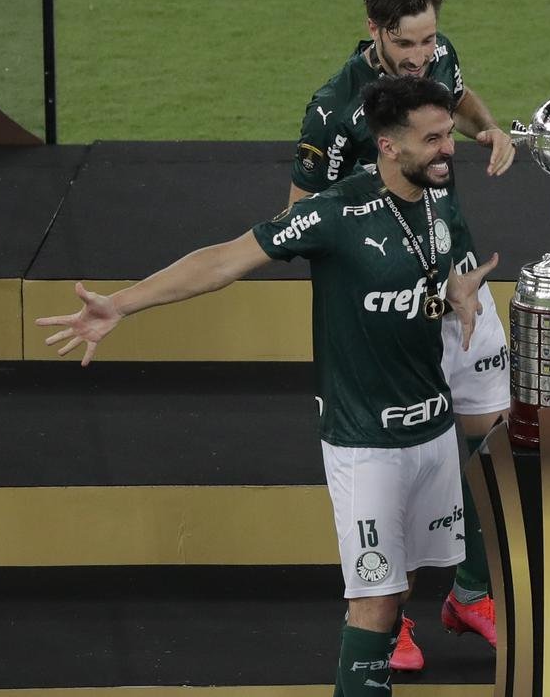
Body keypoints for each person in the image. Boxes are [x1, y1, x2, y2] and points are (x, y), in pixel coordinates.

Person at [37, 76, 499, 696]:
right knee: (376, 598)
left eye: (449, 135)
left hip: (433, 431)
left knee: (404, 582)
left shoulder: (437, 199)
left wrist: (450, 297)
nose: (449, 149)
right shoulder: (335, 212)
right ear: (388, 146)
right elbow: (224, 260)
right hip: (367, 442)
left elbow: (410, 286)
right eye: (434, 139)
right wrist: (121, 304)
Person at [288, 0, 511, 669]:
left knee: (490, 433)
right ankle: (396, 613)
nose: (420, 57)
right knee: (403, 453)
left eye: (428, 39)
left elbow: (459, 90)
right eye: (406, 44)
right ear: (374, 32)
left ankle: (470, 590)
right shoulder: (333, 109)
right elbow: (297, 216)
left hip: (462, 278)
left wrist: (488, 127)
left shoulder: (439, 58)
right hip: (390, 308)